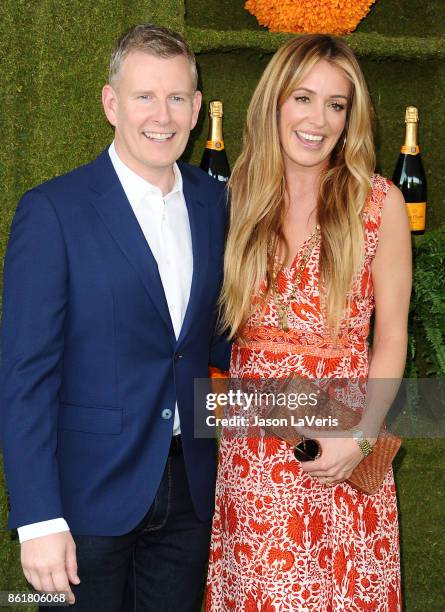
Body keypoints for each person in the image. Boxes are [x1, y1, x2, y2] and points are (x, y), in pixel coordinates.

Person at [0, 24, 230, 612]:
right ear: (111, 103)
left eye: (177, 97)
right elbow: (25, 377)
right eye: (144, 96)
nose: (163, 115)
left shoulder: (216, 204)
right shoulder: (52, 211)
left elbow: (221, 343)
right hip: (84, 504)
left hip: (189, 493)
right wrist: (36, 518)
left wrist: (344, 407)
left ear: (197, 108)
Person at [206, 34, 411, 611]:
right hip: (254, 457)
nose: (318, 119)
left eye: (336, 104)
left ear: (351, 118)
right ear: (274, 102)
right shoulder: (232, 198)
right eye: (303, 98)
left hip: (344, 445)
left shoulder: (378, 203)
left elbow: (391, 336)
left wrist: (362, 436)